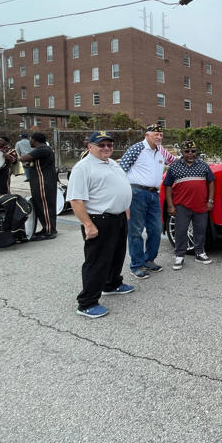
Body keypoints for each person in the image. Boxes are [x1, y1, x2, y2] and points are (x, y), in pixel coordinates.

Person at [67, 130, 134, 319]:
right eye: (101, 145)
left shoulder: (112, 163)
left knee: (117, 255)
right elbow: (76, 200)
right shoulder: (83, 168)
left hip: (118, 217)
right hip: (99, 220)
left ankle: (111, 284)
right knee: (97, 261)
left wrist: (125, 208)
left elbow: (119, 187)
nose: (106, 148)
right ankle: (87, 303)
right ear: (90, 147)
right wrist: (88, 225)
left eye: (109, 145)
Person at [119, 123, 177, 279]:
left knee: (156, 228)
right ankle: (136, 265)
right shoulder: (137, 148)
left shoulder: (161, 151)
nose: (159, 137)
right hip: (136, 193)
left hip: (153, 194)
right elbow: (121, 168)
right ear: (147, 135)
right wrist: (122, 192)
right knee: (136, 231)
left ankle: (149, 260)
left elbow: (175, 162)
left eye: (161, 134)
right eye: (155, 134)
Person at [163, 140, 215, 270]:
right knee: (180, 231)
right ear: (182, 152)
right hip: (182, 206)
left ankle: (200, 253)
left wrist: (210, 200)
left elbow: (211, 182)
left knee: (200, 230)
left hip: (201, 205)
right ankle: (179, 256)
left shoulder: (203, 165)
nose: (190, 154)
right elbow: (167, 186)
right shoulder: (174, 167)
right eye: (187, 151)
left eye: (193, 151)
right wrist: (170, 205)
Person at [20, 132, 58, 240]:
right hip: (41, 182)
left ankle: (50, 231)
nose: (30, 141)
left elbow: (24, 158)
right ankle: (46, 228)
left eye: (30, 139)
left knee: (45, 207)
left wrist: (12, 157)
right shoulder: (43, 150)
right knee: (41, 207)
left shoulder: (42, 149)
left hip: (43, 183)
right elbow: (34, 163)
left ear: (34, 140)